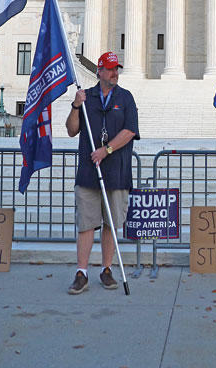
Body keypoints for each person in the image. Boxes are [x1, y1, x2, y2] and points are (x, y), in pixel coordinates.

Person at [65, 52, 139, 294]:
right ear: (99, 71)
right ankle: (81, 272)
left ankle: (106, 269)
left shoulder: (126, 98)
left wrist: (105, 150)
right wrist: (76, 105)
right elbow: (71, 130)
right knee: (86, 224)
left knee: (110, 224)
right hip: (89, 172)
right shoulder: (86, 98)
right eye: (109, 69)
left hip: (116, 172)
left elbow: (130, 131)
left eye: (116, 68)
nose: (114, 73)